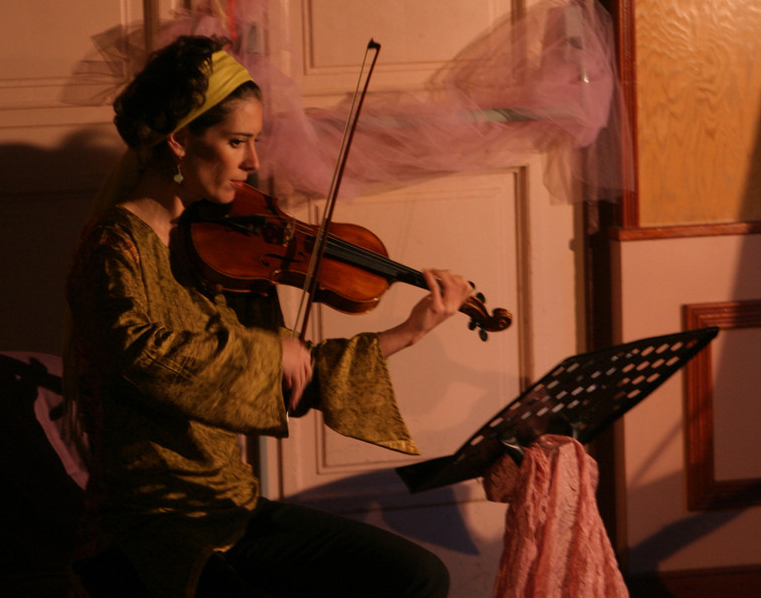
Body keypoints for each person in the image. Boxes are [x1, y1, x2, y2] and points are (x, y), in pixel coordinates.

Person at [63, 35, 471, 598]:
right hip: (153, 521)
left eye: (254, 143)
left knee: (418, 576)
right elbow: (142, 356)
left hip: (230, 505)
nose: (254, 163)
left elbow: (290, 372)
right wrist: (267, 352)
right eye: (237, 142)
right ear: (181, 141)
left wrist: (410, 329)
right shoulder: (114, 246)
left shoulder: (208, 243)